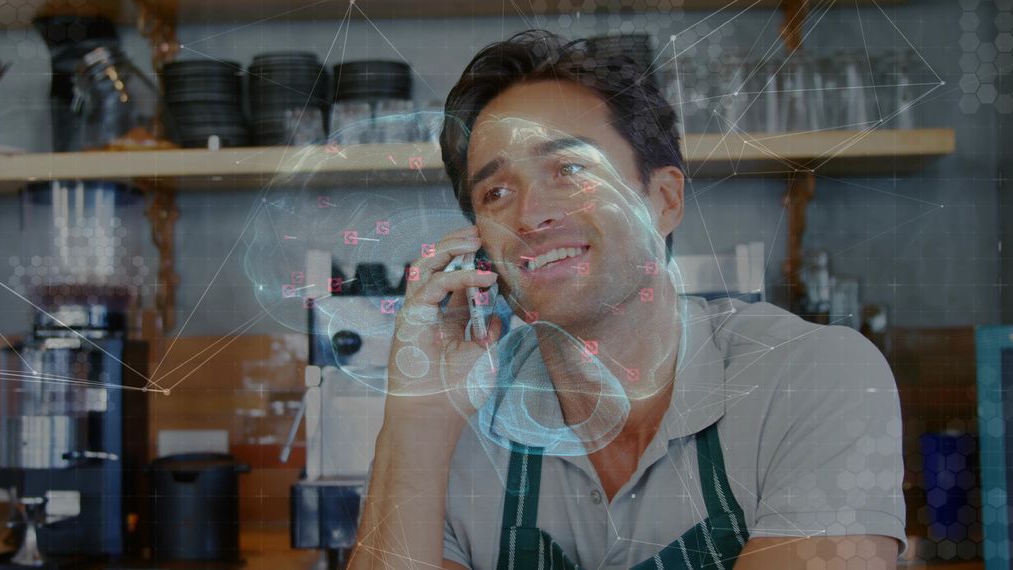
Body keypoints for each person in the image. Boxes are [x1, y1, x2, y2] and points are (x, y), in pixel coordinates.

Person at [350, 30, 906, 569]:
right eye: (496, 193)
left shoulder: (816, 375)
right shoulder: (456, 422)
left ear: (663, 199)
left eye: (570, 169)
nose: (530, 215)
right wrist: (417, 418)